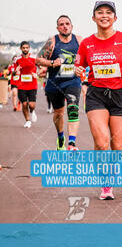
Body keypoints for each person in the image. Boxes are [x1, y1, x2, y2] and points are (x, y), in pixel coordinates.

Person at [75, 1, 122, 200]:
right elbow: (79, 66)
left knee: (119, 147)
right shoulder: (87, 43)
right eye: (100, 12)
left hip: (121, 94)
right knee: (102, 142)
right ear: (93, 18)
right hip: (97, 95)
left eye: (109, 12)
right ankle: (106, 185)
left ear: (115, 18)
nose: (104, 15)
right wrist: (80, 73)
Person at [36, 15, 83, 150]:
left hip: (72, 81)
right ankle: (61, 137)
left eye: (67, 23)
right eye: (61, 24)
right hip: (55, 82)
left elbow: (87, 58)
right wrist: (51, 62)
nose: (65, 26)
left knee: (73, 108)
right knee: (59, 113)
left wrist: (82, 68)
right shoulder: (52, 42)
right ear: (58, 28)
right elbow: (38, 60)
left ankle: (72, 143)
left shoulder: (79, 40)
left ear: (71, 26)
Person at [15, 41, 38, 128]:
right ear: (21, 48)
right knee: (24, 104)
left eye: (27, 48)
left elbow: (42, 67)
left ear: (29, 48)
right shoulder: (17, 59)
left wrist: (37, 74)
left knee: (31, 105)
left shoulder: (34, 58)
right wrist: (16, 71)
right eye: (23, 48)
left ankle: (32, 111)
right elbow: (13, 72)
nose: (25, 49)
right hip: (22, 85)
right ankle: (27, 120)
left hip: (32, 85)